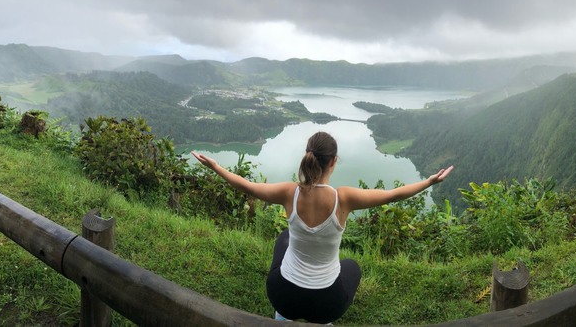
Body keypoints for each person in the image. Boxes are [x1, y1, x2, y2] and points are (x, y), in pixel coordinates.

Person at [191, 131, 453, 324]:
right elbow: (393, 195)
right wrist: (428, 182)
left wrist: (215, 166)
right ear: (333, 162)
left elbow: (247, 186)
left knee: (284, 239)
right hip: (327, 305)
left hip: (283, 296)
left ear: (309, 157)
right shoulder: (344, 198)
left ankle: (283, 318)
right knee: (352, 266)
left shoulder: (289, 193)